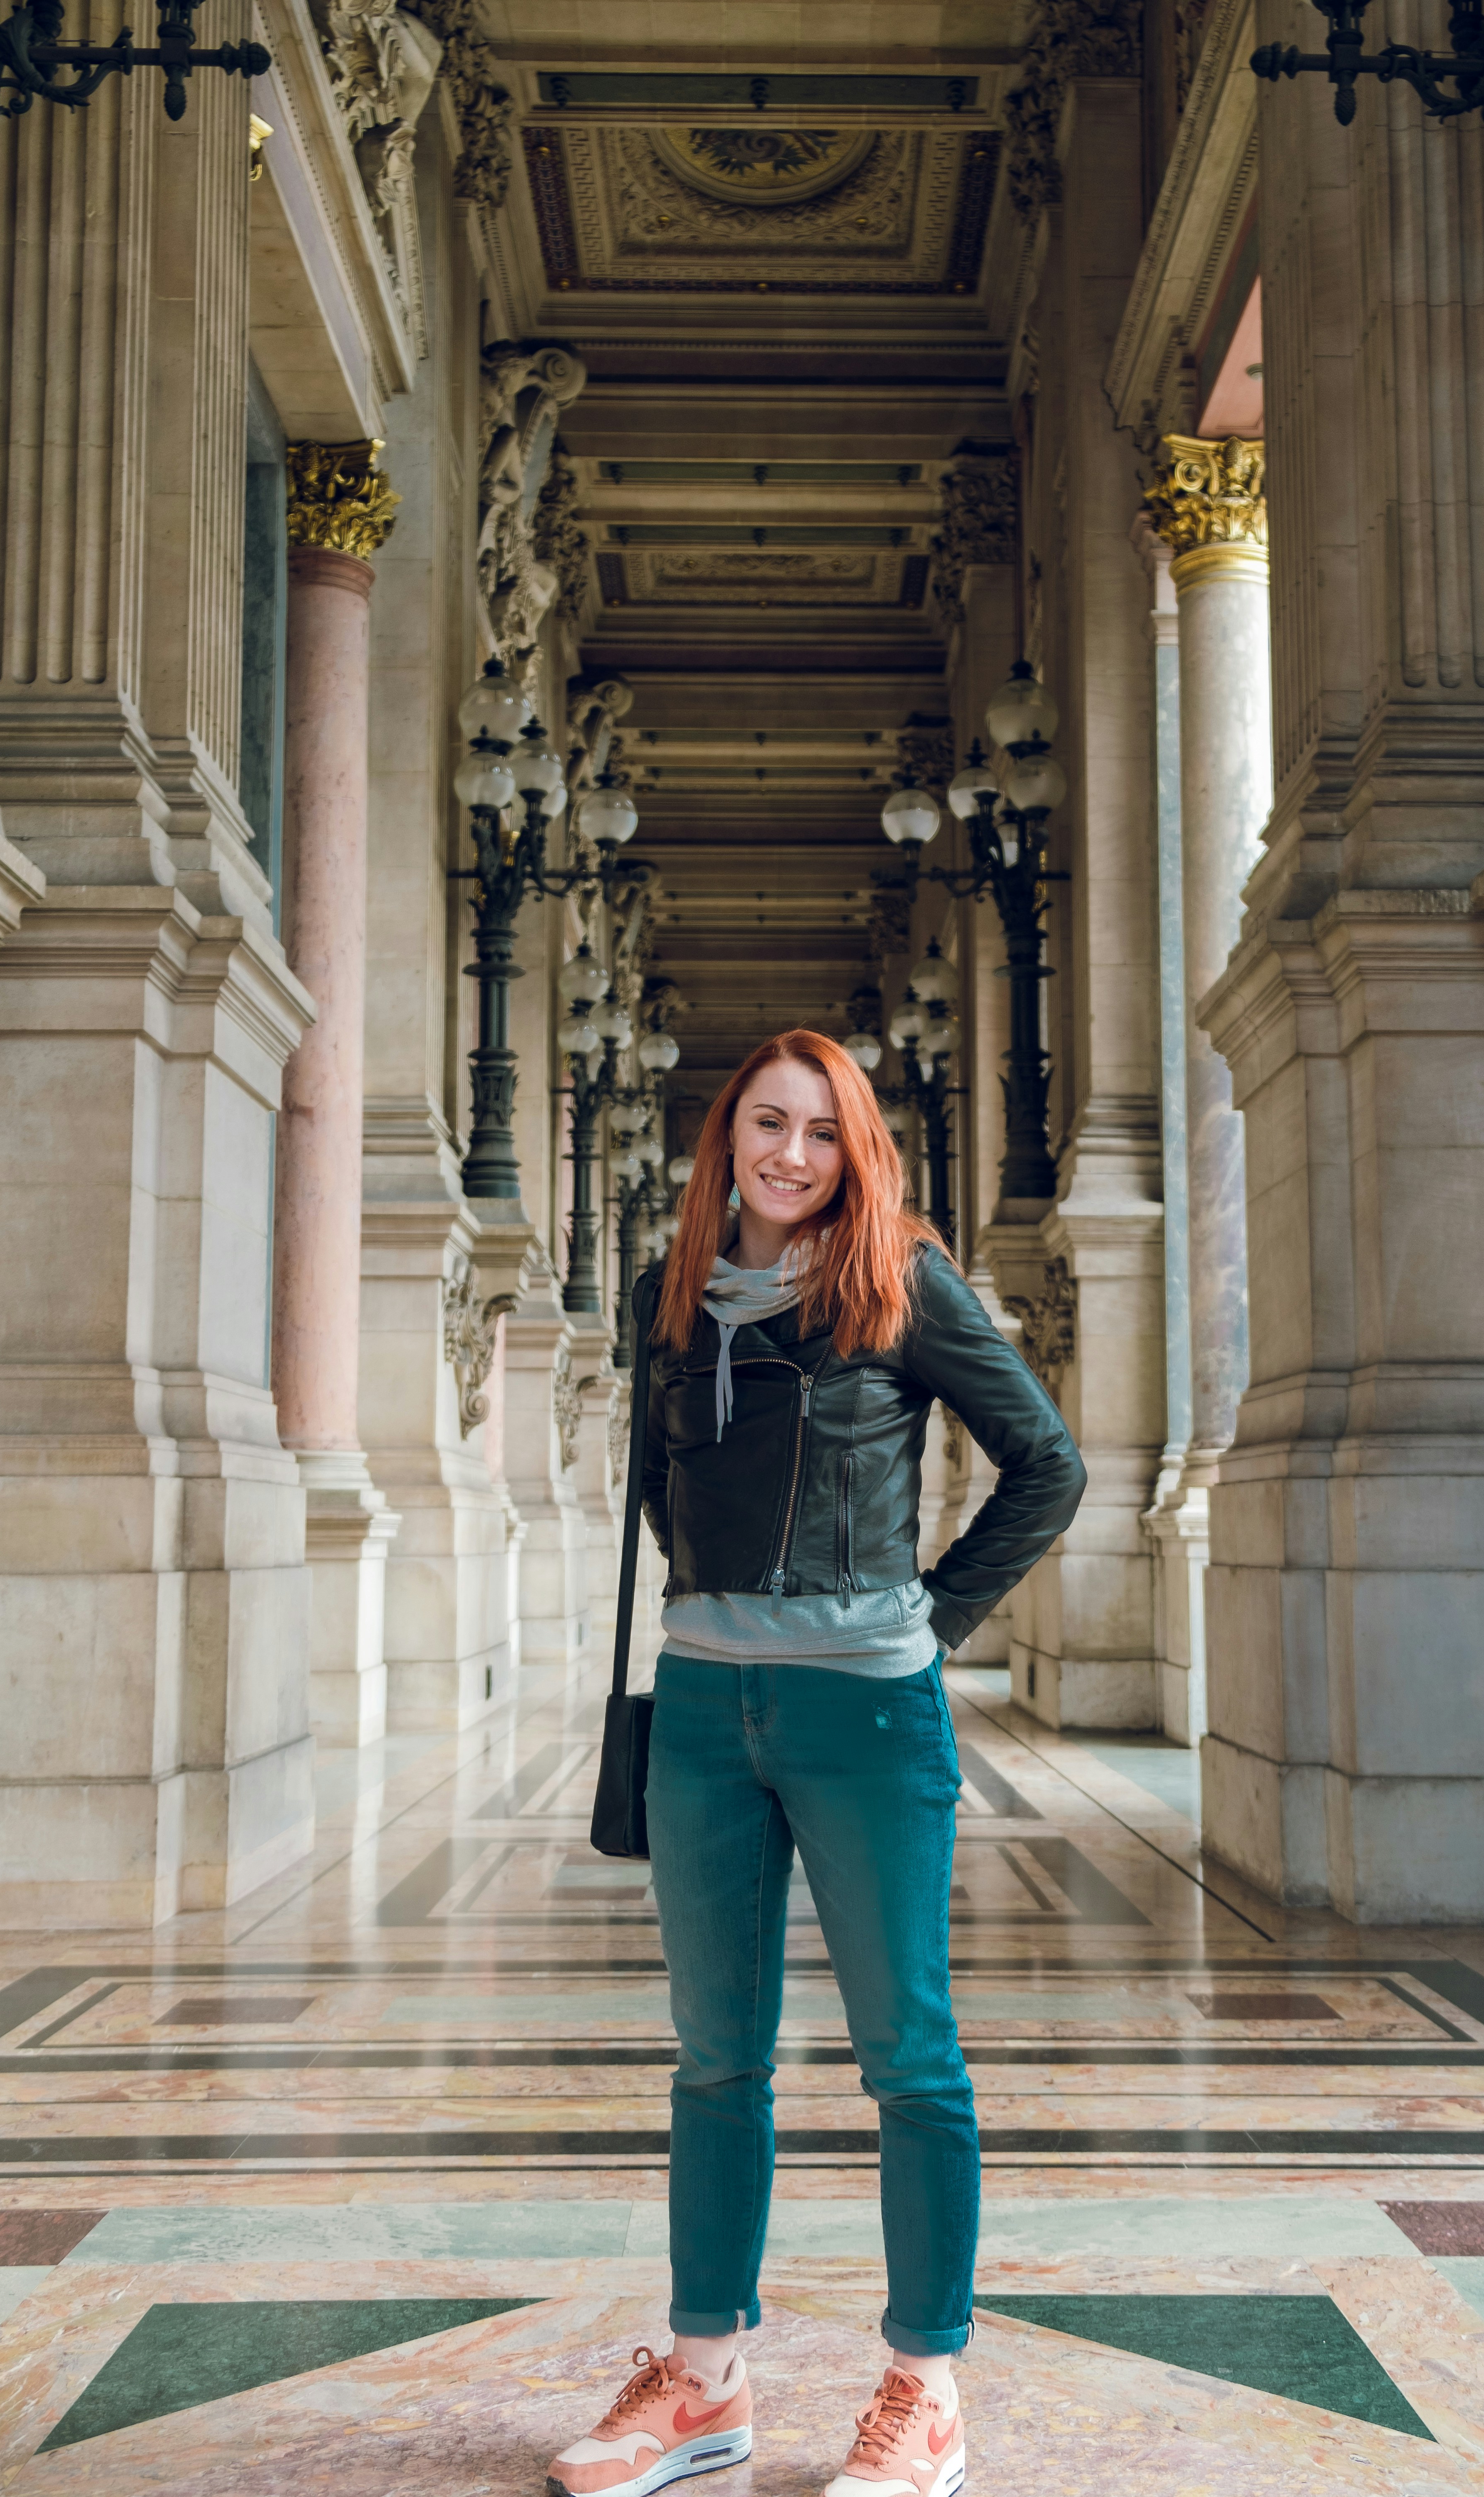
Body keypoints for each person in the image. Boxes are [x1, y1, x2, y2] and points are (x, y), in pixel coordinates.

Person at [547, 1028, 1087, 2497]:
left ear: (858, 1150)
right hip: (708, 1711)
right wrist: (727, 1614)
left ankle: (925, 2388)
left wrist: (931, 1620)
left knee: (910, 2059)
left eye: (821, 1132)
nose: (790, 1155)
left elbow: (1048, 1464)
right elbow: (667, 1493)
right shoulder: (676, 1301)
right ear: (726, 1139)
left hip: (866, 1712)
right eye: (766, 1126)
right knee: (716, 2059)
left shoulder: (903, 1281)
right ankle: (703, 2380)